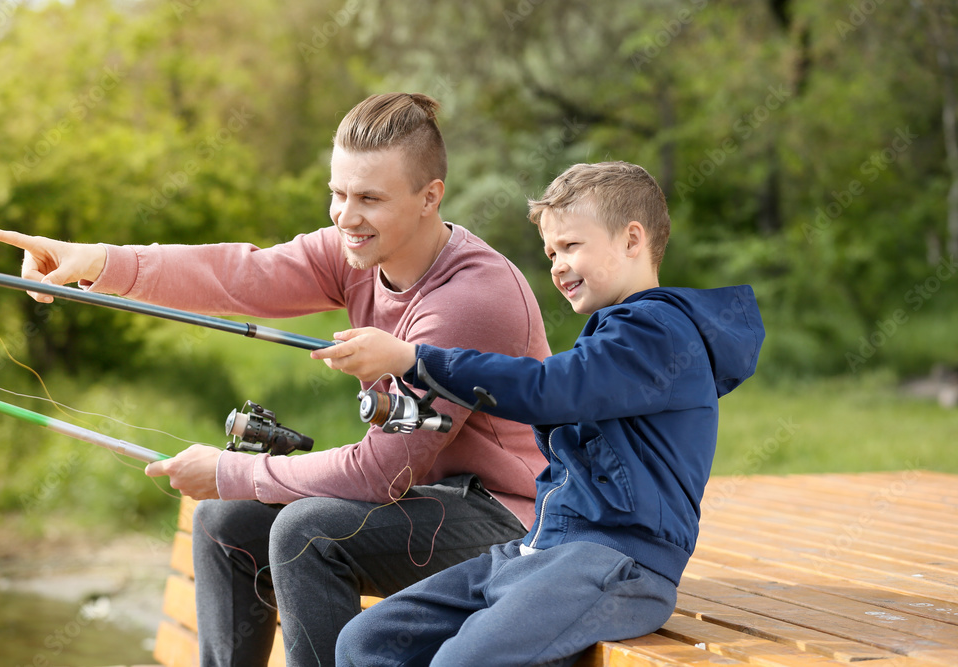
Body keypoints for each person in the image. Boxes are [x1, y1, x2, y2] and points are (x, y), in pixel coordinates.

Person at [0, 92, 552, 667]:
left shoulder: (467, 299)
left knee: (307, 534)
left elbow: (381, 470)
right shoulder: (360, 253)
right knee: (222, 522)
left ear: (430, 198)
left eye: (369, 199)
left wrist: (234, 469)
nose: (345, 217)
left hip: (512, 521)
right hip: (429, 499)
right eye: (338, 193)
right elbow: (241, 275)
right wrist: (98, 261)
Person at [314, 161, 766, 666]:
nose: (556, 265)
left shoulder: (657, 334)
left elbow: (548, 387)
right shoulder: (616, 336)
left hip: (618, 563)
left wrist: (413, 359)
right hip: (542, 551)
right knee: (365, 641)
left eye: (571, 246)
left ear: (632, 239)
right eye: (551, 252)